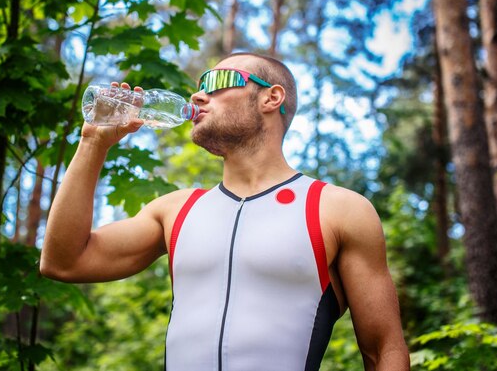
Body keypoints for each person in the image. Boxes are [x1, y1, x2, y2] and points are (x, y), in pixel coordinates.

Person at [40, 52, 410, 371]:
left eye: (217, 82)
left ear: (271, 97)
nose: (198, 94)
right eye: (200, 84)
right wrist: (93, 142)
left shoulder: (337, 209)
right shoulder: (176, 210)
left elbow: (383, 350)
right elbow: (64, 262)